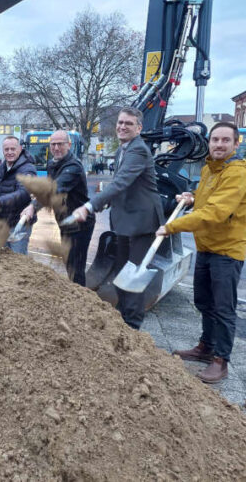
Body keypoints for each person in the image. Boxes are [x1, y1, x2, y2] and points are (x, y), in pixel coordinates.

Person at [157, 122, 246, 384]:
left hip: (227, 252)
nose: (219, 145)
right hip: (207, 248)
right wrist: (191, 197)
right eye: (215, 140)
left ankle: (220, 361)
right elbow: (206, 201)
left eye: (225, 140)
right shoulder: (210, 170)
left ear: (236, 144)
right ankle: (206, 347)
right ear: (209, 143)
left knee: (223, 308)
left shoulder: (237, 174)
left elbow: (215, 212)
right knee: (204, 302)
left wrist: (171, 227)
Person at [73, 107, 164, 329]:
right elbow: (123, 186)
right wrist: (107, 202)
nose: (122, 127)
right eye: (120, 122)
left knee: (132, 278)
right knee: (122, 274)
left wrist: (90, 205)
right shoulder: (124, 149)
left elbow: (121, 181)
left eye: (129, 124)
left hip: (141, 224)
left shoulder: (138, 151)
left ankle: (132, 327)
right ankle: (124, 320)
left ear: (139, 128)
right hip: (125, 221)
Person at [21, 130, 95, 285]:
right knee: (68, 261)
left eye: (60, 144)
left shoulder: (73, 166)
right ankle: (75, 292)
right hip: (64, 220)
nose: (56, 148)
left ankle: (80, 299)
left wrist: (33, 206)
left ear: (69, 145)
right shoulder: (52, 164)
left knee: (75, 266)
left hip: (80, 221)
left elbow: (54, 189)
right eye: (53, 144)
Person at [0, 135, 37, 254]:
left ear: (20, 149)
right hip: (2, 221)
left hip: (19, 223)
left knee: (17, 260)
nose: (10, 152)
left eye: (13, 149)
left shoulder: (28, 169)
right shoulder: (2, 167)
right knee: (2, 258)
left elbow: (24, 193)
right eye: (6, 149)